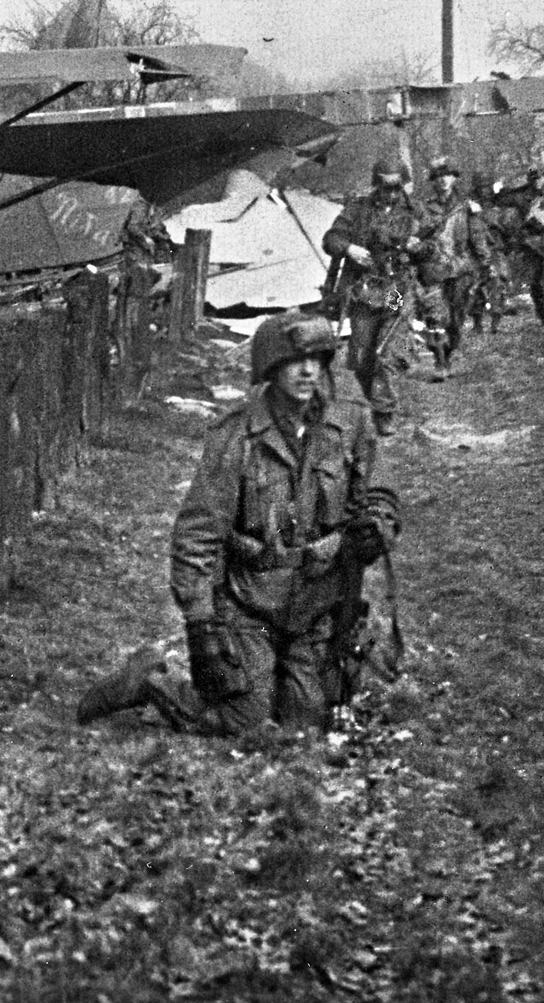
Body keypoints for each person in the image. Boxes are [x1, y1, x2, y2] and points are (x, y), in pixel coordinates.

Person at [76, 311, 400, 734]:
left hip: (317, 607)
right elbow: (198, 536)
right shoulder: (238, 435)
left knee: (305, 723)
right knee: (245, 721)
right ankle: (151, 680)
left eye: (316, 360)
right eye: (294, 361)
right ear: (271, 367)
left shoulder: (350, 425)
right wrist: (200, 625)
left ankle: (278, 681)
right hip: (250, 607)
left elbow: (380, 493)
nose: (307, 371)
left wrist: (376, 525)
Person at [322, 154, 432, 435]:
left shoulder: (416, 212)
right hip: (366, 290)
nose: (391, 193)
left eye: (396, 187)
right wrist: (349, 249)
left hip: (396, 289)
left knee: (386, 349)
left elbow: (432, 249)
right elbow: (331, 239)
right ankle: (370, 402)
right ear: (376, 185)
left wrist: (417, 248)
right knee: (361, 356)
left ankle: (384, 411)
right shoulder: (358, 209)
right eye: (386, 187)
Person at [416, 156, 491, 378]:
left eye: (447, 176)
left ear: (454, 178)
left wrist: (485, 262)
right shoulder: (423, 208)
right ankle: (439, 361)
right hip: (433, 269)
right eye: (438, 177)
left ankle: (447, 354)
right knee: (435, 316)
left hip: (460, 269)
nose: (443, 180)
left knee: (456, 320)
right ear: (433, 181)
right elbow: (415, 235)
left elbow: (477, 237)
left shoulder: (467, 207)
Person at [498, 166, 544, 327]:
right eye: (534, 178)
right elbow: (501, 199)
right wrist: (502, 188)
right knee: (534, 282)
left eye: (541, 177)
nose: (538, 181)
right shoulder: (524, 196)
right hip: (531, 243)